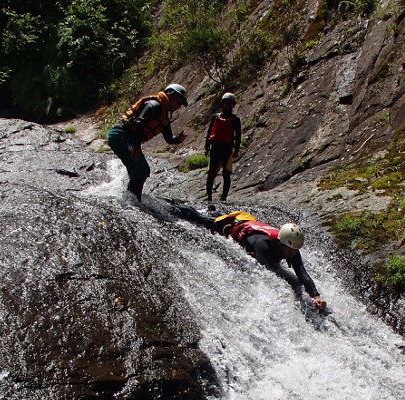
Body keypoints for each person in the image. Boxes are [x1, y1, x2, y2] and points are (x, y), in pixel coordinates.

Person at [172, 206, 327, 310]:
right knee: (203, 220)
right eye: (291, 250)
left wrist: (315, 295)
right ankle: (175, 208)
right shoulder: (262, 244)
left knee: (296, 280)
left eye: (296, 250)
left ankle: (214, 211)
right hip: (233, 225)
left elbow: (302, 273)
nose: (294, 253)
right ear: (282, 244)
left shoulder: (291, 247)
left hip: (247, 220)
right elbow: (270, 271)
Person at [107, 83, 189, 203]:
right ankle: (132, 203)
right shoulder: (154, 105)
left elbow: (169, 139)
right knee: (140, 169)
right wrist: (136, 147)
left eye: (181, 104)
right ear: (170, 95)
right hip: (120, 134)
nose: (178, 106)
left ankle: (131, 200)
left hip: (129, 138)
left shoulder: (165, 116)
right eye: (178, 102)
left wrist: (178, 140)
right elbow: (139, 123)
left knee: (141, 170)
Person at [204, 92, 241, 203]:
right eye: (226, 103)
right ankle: (209, 196)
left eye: (230, 103)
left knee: (226, 173)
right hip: (215, 147)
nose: (228, 105)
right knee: (211, 173)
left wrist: (237, 149)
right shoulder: (215, 117)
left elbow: (238, 135)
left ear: (233, 105)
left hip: (227, 148)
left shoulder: (235, 120)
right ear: (222, 104)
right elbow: (210, 131)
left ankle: (223, 197)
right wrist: (206, 146)